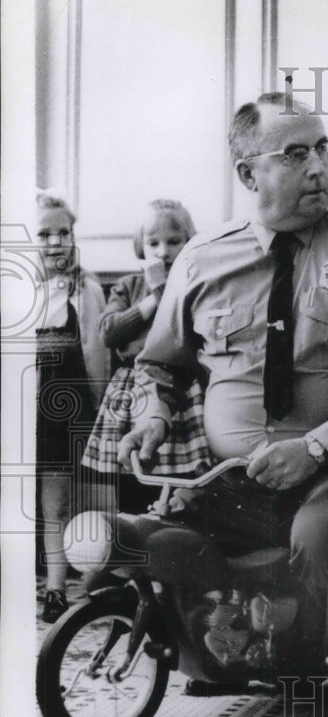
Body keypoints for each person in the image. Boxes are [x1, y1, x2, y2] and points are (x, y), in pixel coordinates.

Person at [118, 94, 328, 717]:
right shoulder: (202, 260)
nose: (318, 167)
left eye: (322, 149)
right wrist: (152, 413)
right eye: (295, 154)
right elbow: (160, 366)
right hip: (232, 477)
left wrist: (315, 449)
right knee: (160, 538)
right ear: (248, 174)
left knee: (320, 537)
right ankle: (244, 657)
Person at [82, 199, 213, 511]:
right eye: (153, 243)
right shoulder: (129, 285)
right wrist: (156, 296)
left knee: (181, 476)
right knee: (133, 471)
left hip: (177, 387)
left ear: (188, 242)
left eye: (173, 241)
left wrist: (168, 290)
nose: (163, 251)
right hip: (130, 387)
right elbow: (109, 332)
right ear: (141, 246)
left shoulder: (193, 285)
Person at [34, 190, 109, 622]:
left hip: (61, 411)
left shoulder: (86, 291)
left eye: (64, 232)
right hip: (19, 412)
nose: (56, 242)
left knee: (56, 504)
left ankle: (56, 589)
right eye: (45, 233)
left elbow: (96, 354)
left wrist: (98, 413)